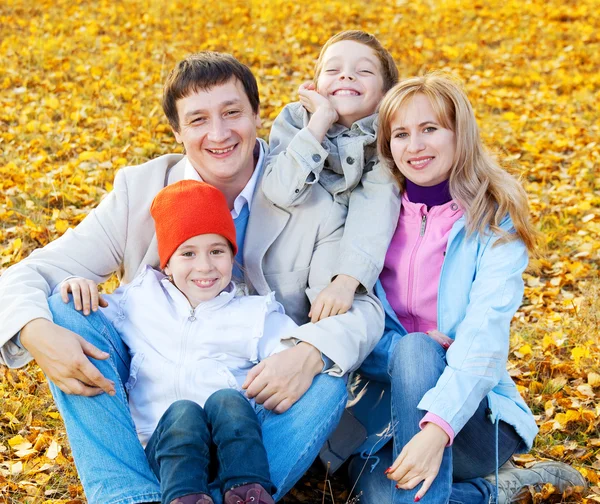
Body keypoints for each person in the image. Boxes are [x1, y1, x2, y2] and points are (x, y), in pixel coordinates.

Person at [0, 52, 385, 504]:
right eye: (198, 119)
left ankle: (242, 494)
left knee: (326, 376)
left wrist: (308, 354)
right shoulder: (140, 190)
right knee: (65, 308)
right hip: (156, 407)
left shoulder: (311, 199)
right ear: (177, 131)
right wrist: (35, 330)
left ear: (258, 117)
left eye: (232, 113)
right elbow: (28, 273)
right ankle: (130, 495)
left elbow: (360, 307)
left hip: (253, 414)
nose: (219, 134)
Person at [339, 73, 587, 503]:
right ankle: (496, 493)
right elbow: (352, 318)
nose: (414, 146)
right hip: (384, 412)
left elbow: (485, 334)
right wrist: (399, 353)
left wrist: (438, 426)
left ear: (460, 135)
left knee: (418, 350)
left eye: (430, 129)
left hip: (471, 419)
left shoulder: (493, 220)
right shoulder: (371, 215)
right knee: (379, 494)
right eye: (401, 133)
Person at [59, 180, 295, 504]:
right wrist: (76, 283)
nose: (205, 266)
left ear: (231, 256)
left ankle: (247, 492)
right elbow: (96, 320)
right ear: (167, 264)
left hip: (230, 453)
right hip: (162, 450)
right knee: (183, 413)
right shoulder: (141, 300)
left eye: (217, 251)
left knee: (228, 400)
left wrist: (297, 354)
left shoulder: (255, 314)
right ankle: (184, 498)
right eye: (188, 253)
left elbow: (291, 352)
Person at [263, 30, 400, 322]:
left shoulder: (389, 138)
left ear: (385, 95)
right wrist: (320, 121)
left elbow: (375, 206)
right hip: (286, 259)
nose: (346, 76)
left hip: (353, 259)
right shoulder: (295, 120)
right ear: (314, 87)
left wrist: (346, 280)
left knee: (338, 310)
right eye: (333, 70)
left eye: (363, 71)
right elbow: (280, 190)